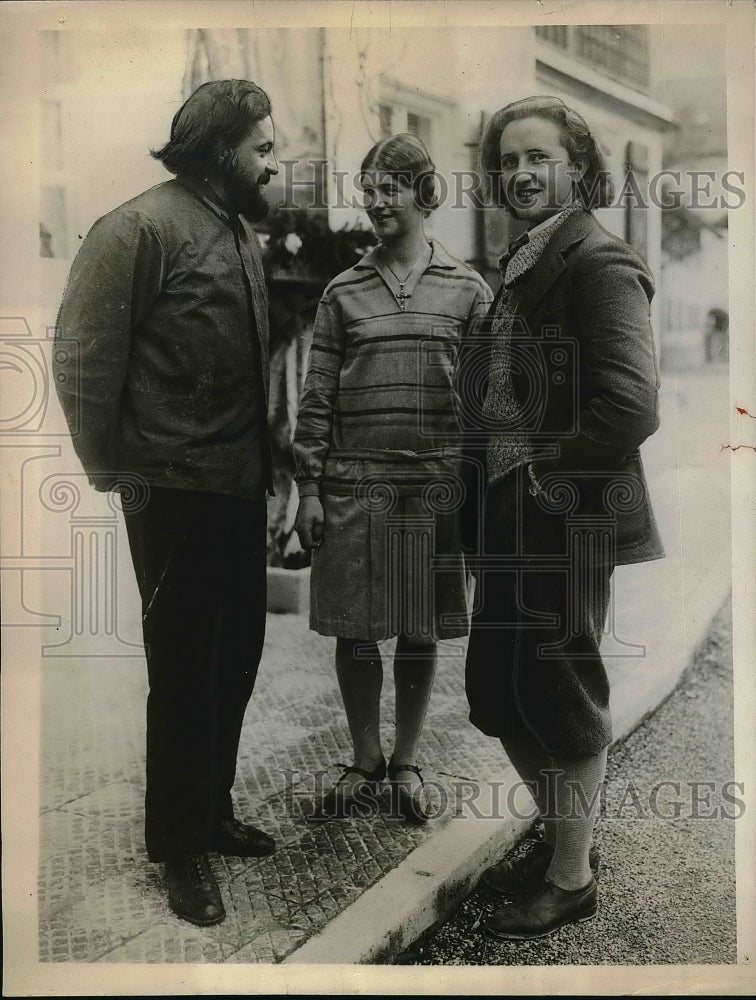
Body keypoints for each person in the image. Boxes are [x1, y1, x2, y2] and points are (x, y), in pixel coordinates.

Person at [54, 80, 279, 927]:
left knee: (237, 660)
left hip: (238, 489)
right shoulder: (137, 228)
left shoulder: (236, 231)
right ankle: (179, 849)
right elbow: (81, 358)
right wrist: (113, 469)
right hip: (173, 494)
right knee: (183, 674)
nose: (273, 159)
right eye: (262, 146)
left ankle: (212, 813)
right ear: (223, 152)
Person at [458, 96, 664, 938]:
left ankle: (571, 876)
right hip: (510, 514)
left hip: (566, 512)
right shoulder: (526, 256)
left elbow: (631, 404)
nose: (520, 174)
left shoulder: (598, 261)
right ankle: (564, 841)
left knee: (560, 686)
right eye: (508, 160)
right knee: (496, 692)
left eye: (538, 158)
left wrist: (543, 468)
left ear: (577, 166)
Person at [293, 133, 492, 823]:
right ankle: (364, 758)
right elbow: (316, 396)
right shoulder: (342, 292)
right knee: (356, 631)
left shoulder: (468, 290)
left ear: (424, 193)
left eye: (389, 188)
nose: (376, 201)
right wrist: (310, 489)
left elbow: (485, 405)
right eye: (368, 188)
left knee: (418, 630)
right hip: (353, 487)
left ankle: (405, 761)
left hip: (434, 489)